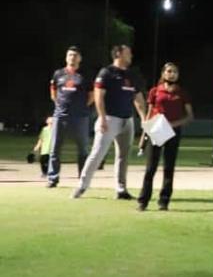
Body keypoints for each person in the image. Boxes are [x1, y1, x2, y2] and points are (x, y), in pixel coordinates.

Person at [72, 45, 147, 200]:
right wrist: (103, 118)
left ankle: (121, 189)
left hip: (127, 120)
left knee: (123, 156)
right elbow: (99, 96)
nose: (131, 55)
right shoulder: (107, 73)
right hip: (110, 119)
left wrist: (144, 118)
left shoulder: (131, 75)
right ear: (118, 54)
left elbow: (138, 98)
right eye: (128, 53)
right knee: (97, 153)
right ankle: (82, 186)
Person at [137, 63, 194, 211]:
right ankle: (143, 201)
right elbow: (149, 114)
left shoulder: (182, 93)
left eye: (175, 71)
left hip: (173, 132)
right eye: (169, 71)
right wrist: (144, 135)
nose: (172, 74)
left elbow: (189, 116)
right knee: (150, 168)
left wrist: (173, 125)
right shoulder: (155, 91)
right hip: (156, 130)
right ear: (163, 74)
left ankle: (164, 201)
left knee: (169, 168)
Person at [46, 45, 93, 188]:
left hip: (80, 117)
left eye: (75, 55)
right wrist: (60, 105)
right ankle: (52, 178)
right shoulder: (58, 74)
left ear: (80, 58)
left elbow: (92, 96)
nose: (72, 57)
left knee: (83, 149)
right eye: (70, 55)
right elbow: (53, 92)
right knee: (55, 148)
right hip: (60, 116)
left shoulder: (85, 76)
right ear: (66, 57)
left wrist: (81, 107)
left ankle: (82, 179)